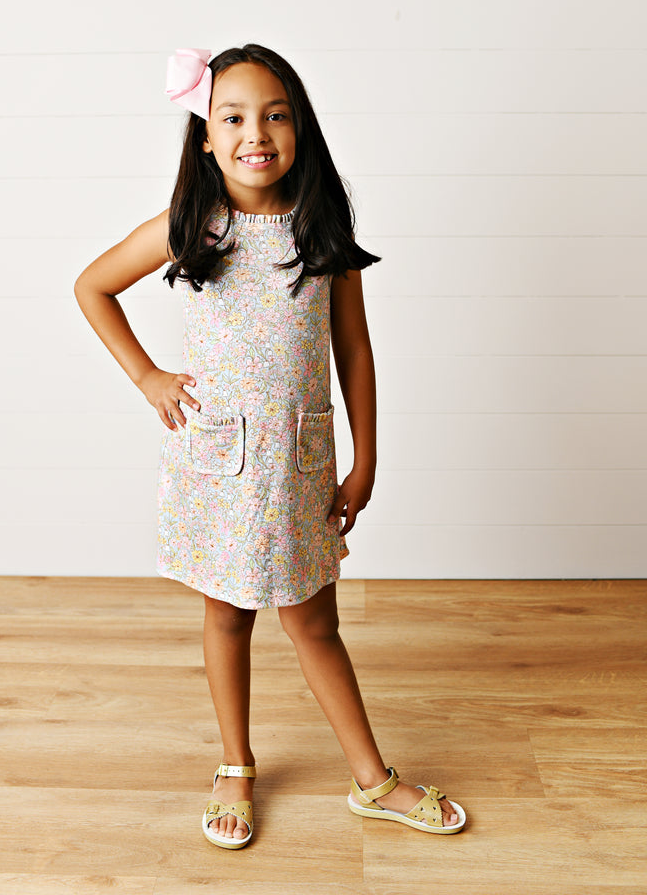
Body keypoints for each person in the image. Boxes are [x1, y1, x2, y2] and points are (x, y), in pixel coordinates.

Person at [74, 43, 466, 849]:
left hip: (300, 465)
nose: (257, 133)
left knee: (314, 622)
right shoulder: (194, 227)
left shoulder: (321, 230)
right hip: (221, 466)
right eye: (234, 117)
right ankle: (235, 764)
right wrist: (148, 375)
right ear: (206, 137)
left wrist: (367, 457)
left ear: (300, 127)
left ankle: (372, 779)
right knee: (229, 617)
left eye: (275, 115)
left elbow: (354, 352)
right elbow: (94, 285)